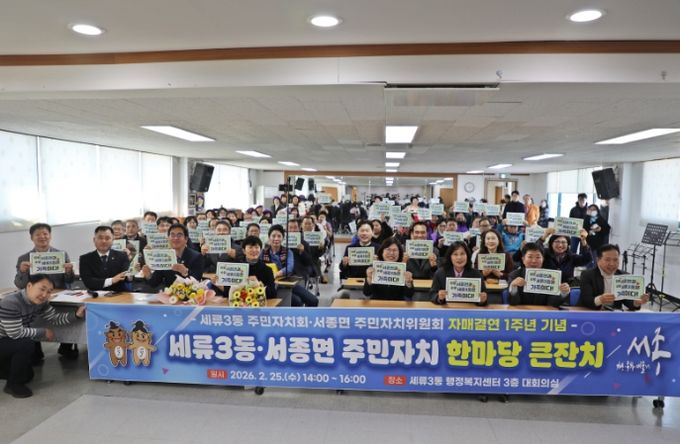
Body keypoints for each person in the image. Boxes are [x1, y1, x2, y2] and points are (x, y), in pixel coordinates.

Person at [0, 274, 86, 398]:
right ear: (29, 286)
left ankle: (7, 372)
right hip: (4, 338)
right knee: (26, 343)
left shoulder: (40, 302)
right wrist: (43, 332)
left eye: (49, 291)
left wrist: (76, 315)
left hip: (8, 341)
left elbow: (55, 318)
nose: (45, 294)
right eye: (42, 289)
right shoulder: (11, 302)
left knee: (28, 376)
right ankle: (13, 385)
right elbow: (15, 333)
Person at [14, 223, 77, 359]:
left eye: (45, 234)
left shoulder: (61, 254)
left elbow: (70, 280)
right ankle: (35, 350)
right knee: (29, 316)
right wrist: (22, 272)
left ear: (50, 236)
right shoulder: (23, 258)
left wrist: (68, 272)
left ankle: (66, 347)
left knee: (69, 314)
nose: (42, 237)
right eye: (38, 234)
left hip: (59, 296)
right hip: (36, 299)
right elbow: (20, 284)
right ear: (31, 238)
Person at [261, 225, 318, 306]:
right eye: (273, 236)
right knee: (297, 302)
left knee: (313, 300)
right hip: (271, 286)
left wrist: (277, 274)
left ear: (283, 238)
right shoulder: (262, 253)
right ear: (269, 237)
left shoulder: (288, 252)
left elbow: (290, 268)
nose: (276, 239)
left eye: (279, 236)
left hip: (287, 284)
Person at [578, 244, 649, 310]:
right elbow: (586, 300)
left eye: (615, 260)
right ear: (598, 260)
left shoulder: (624, 276)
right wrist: (600, 300)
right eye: (607, 260)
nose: (612, 264)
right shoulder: (587, 275)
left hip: (614, 315)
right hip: (590, 313)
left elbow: (627, 301)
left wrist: (636, 303)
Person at [211, 236, 276, 300]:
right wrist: (217, 283)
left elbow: (273, 294)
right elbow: (228, 292)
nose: (254, 250)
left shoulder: (267, 270)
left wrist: (258, 285)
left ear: (261, 250)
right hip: (239, 303)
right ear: (244, 251)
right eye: (250, 247)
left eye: (256, 247)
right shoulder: (237, 268)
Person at [142, 224, 204, 289]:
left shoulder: (197, 256)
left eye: (179, 235)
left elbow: (197, 280)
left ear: (186, 239)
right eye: (172, 235)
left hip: (190, 293)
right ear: (168, 238)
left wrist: (185, 272)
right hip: (169, 293)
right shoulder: (164, 256)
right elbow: (154, 283)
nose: (175, 238)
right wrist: (148, 276)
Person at [508, 242, 570, 307]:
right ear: (523, 259)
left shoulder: (551, 276)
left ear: (543, 259)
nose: (534, 261)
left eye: (538, 257)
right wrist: (514, 287)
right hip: (521, 312)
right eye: (530, 257)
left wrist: (563, 293)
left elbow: (552, 303)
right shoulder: (514, 275)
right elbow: (513, 303)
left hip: (544, 312)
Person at [430, 241, 488, 306]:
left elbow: (484, 297)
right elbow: (432, 295)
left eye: (462, 254)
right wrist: (439, 297)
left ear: (467, 256)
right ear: (450, 257)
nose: (459, 257)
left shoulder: (476, 274)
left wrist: (482, 300)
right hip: (448, 309)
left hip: (469, 309)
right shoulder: (440, 273)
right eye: (455, 254)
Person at [79, 226, 131, 292]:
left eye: (107, 238)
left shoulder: (122, 256)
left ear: (113, 240)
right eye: (100, 238)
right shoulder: (85, 259)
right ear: (94, 240)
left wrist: (132, 272)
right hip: (96, 296)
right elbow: (88, 282)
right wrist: (112, 280)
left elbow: (126, 277)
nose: (103, 241)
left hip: (118, 295)